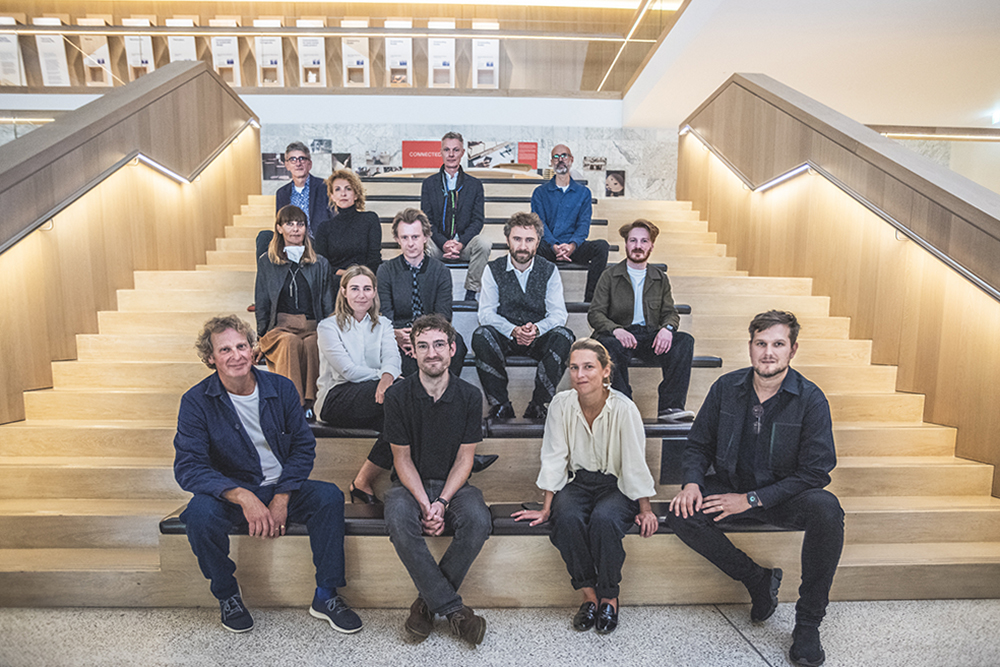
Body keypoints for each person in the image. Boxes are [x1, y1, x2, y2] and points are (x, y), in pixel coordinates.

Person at [668, 311, 844, 667]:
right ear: (750, 347)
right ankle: (757, 579)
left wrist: (751, 500)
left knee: (827, 509)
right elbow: (698, 445)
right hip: (730, 483)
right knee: (680, 513)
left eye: (778, 344)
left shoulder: (811, 399)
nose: (768, 352)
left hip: (784, 495)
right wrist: (691, 483)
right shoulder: (725, 388)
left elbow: (816, 471)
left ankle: (808, 622)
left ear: (792, 350)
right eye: (761, 344)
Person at [173, 315, 362, 634]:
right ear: (210, 358)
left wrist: (281, 497)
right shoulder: (196, 402)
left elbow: (303, 447)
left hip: (281, 487)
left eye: (242, 346)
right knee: (199, 515)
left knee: (328, 496)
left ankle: (326, 595)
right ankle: (227, 594)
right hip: (231, 493)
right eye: (225, 350)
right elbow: (189, 467)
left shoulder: (281, 388)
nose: (236, 355)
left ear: (253, 349)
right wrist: (242, 496)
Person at [513, 338, 657, 634]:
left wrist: (646, 509)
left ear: (606, 371)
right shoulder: (561, 404)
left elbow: (633, 463)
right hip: (578, 482)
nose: (580, 375)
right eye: (574, 367)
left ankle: (609, 598)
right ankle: (589, 597)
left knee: (605, 521)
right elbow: (554, 457)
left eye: (589, 367)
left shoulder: (624, 408)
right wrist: (546, 508)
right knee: (564, 518)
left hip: (617, 485)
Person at [382, 313, 492, 646]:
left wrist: (442, 502)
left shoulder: (471, 396)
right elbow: (401, 459)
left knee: (478, 520)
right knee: (398, 517)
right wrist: (424, 503)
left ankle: (426, 606)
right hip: (409, 484)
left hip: (454, 486)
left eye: (439, 345)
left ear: (453, 349)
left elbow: (465, 459)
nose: (432, 353)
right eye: (423, 346)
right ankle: (455, 611)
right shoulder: (397, 396)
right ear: (411, 352)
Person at [588, 219, 696, 423]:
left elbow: (670, 313)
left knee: (684, 341)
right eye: (633, 241)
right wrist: (616, 330)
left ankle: (671, 407)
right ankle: (622, 406)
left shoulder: (660, 277)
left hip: (649, 337)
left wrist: (667, 329)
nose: (638, 246)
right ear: (626, 244)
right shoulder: (609, 276)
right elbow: (595, 314)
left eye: (644, 241)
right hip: (620, 337)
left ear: (651, 246)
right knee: (607, 346)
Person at [472, 211, 575, 422]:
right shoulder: (493, 269)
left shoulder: (549, 270)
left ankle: (539, 404)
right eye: (517, 239)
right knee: (481, 335)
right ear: (508, 240)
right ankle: (501, 404)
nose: (522, 245)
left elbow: (558, 314)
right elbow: (486, 313)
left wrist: (536, 329)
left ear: (537, 243)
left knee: (565, 336)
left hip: (538, 337)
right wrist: (513, 330)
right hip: (505, 336)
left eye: (529, 240)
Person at [316, 265, 401, 504]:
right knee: (403, 396)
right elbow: (348, 371)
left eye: (367, 288)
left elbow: (393, 359)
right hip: (336, 398)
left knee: (402, 420)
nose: (361, 295)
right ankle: (453, 455)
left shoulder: (383, 324)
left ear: (375, 292)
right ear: (343, 291)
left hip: (376, 397)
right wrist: (385, 378)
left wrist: (387, 378)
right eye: (354, 288)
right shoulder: (328, 326)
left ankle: (363, 482)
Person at [253, 205, 333, 419]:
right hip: (280, 328)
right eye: (290, 224)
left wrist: (330, 330)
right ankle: (292, 404)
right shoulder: (266, 262)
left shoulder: (320, 263)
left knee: (311, 343)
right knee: (291, 343)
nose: (296, 229)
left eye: (300, 224)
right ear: (279, 228)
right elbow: (262, 302)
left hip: (312, 326)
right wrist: (260, 337)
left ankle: (312, 404)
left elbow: (327, 303)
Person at [377, 207, 468, 378]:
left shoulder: (440, 270)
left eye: (415, 237)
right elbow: (386, 315)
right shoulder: (386, 270)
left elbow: (443, 315)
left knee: (458, 344)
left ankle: (445, 394)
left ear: (425, 237)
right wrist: (396, 334)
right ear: (397, 239)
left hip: (432, 331)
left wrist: (419, 338)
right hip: (399, 334)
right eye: (404, 237)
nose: (410, 243)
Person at [530, 144, 609, 302]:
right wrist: (554, 245)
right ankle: (537, 301)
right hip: (549, 248)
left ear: (571, 160)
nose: (560, 160)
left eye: (564, 156)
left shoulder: (583, 193)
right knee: (531, 247)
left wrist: (572, 246)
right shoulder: (540, 192)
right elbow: (540, 224)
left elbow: (583, 225)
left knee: (602, 246)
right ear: (551, 162)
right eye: (556, 157)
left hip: (574, 248)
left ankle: (590, 300)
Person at [419, 131, 492, 302]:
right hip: (438, 245)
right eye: (447, 150)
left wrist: (460, 244)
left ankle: (471, 291)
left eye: (456, 150)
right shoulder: (429, 184)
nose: (451, 154)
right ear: (441, 152)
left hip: (464, 245)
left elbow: (477, 221)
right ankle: (429, 292)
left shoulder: (475, 185)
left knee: (484, 243)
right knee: (421, 243)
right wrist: (444, 243)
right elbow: (426, 221)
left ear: (463, 153)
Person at [256, 141, 332, 259]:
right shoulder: (282, 193)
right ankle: (265, 277)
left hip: (315, 241)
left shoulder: (325, 187)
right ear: (287, 165)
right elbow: (280, 222)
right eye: (293, 159)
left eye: (302, 158)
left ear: (309, 164)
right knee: (264, 236)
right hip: (289, 241)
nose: (298, 163)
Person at [314, 169, 381, 287]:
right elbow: (322, 264)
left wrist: (358, 276)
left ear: (356, 195)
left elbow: (374, 258)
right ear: (332, 196)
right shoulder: (324, 228)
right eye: (337, 189)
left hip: (365, 281)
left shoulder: (370, 219)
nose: (343, 193)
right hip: (336, 283)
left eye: (348, 188)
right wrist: (341, 273)